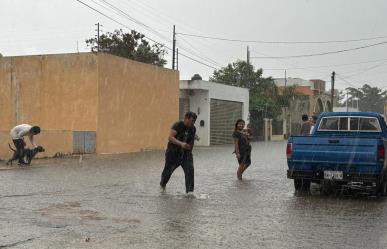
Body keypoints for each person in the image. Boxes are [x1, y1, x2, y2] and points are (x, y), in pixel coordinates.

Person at [160, 112, 197, 194]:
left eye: (194, 121)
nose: (192, 123)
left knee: (190, 170)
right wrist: (181, 144)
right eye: (191, 120)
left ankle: (190, 192)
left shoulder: (193, 128)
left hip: (186, 154)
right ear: (186, 118)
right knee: (168, 171)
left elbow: (191, 142)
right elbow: (170, 138)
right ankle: (162, 185)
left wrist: (189, 148)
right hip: (173, 153)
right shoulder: (177, 125)